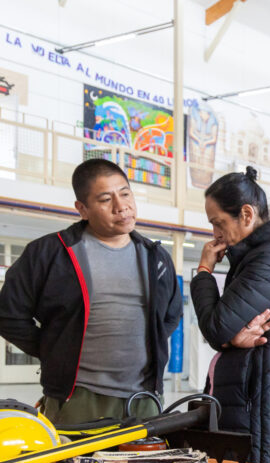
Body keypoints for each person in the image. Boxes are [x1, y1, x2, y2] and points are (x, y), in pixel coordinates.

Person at [0, 158, 181, 424]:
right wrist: (58, 349)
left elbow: (170, 316)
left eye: (125, 193)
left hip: (144, 400)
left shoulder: (156, 257)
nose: (121, 207)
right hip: (78, 399)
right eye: (106, 199)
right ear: (82, 209)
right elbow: (9, 315)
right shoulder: (50, 253)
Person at [191, 167, 270, 463]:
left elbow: (216, 326)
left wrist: (204, 271)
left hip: (266, 414)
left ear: (246, 215)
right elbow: (225, 330)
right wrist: (230, 340)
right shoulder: (260, 255)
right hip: (255, 404)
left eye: (218, 223)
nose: (215, 234)